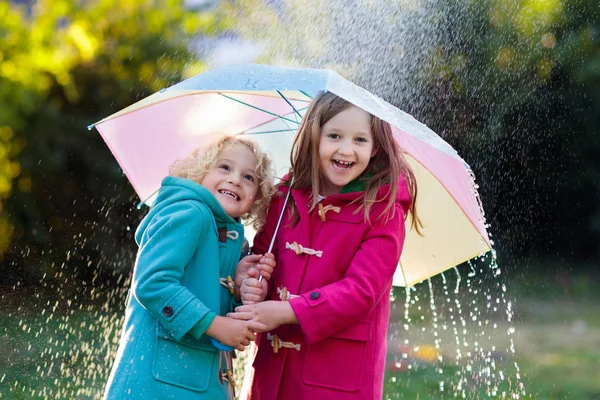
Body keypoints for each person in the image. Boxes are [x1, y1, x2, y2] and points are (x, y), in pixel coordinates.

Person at [230, 92, 421, 400]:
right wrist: (251, 283)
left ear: (376, 149)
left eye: (360, 140)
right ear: (313, 137)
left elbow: (362, 290)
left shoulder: (383, 211)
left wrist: (290, 310)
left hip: (337, 375)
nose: (346, 149)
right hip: (273, 369)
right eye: (334, 135)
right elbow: (262, 259)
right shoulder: (285, 197)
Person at [103, 135, 276, 400]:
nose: (235, 180)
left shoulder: (230, 238)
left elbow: (204, 291)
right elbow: (153, 284)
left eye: (249, 177)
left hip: (194, 382)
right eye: (225, 168)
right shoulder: (190, 213)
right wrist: (215, 325)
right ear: (200, 172)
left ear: (257, 196)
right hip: (158, 385)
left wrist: (239, 288)